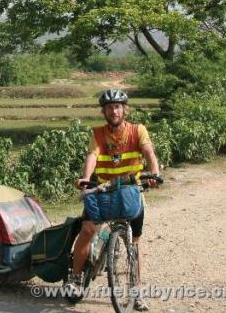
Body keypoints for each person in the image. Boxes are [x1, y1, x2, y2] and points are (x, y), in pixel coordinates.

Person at [66, 88, 160, 311]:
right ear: (104, 111)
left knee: (134, 244)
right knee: (88, 230)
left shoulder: (138, 130)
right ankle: (76, 278)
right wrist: (86, 178)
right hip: (103, 191)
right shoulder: (98, 133)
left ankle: (135, 294)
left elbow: (149, 153)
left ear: (124, 109)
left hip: (130, 192)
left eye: (117, 106)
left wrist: (154, 173)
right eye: (109, 107)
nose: (114, 110)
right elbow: (92, 155)